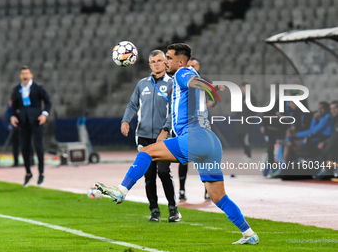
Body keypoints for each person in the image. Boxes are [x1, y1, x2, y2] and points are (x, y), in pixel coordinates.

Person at [95, 43, 259, 245]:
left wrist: (208, 87)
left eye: (169, 58)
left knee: (146, 152)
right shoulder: (182, 77)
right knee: (218, 196)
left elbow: (192, 82)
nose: (165, 61)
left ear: (180, 61)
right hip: (211, 142)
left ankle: (121, 190)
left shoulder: (182, 72)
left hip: (195, 138)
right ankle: (248, 233)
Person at [121, 49, 179, 222]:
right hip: (144, 136)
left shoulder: (172, 84)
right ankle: (154, 210)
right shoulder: (142, 84)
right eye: (153, 61)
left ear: (165, 62)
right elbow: (132, 105)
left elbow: (174, 110)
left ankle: (173, 208)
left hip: (163, 137)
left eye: (159, 60)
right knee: (149, 175)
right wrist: (125, 121)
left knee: (163, 172)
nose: (156, 64)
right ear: (149, 64)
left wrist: (166, 129)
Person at [178, 57, 215, 201]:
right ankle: (181, 189)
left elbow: (214, 100)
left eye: (194, 65)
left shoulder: (204, 81)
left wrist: (204, 106)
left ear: (198, 67)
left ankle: (207, 190)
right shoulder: (182, 81)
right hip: (186, 124)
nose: (191, 68)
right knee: (184, 158)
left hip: (201, 123)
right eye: (189, 65)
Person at [10, 66, 51, 187]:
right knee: (24, 148)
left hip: (36, 121)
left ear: (31, 75)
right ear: (20, 76)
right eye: (22, 73)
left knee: (38, 147)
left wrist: (44, 114)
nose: (25, 75)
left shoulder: (38, 88)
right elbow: (13, 106)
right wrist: (13, 116)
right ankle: (28, 173)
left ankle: (41, 173)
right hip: (23, 122)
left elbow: (48, 102)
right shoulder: (17, 90)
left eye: (27, 73)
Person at [5, 99, 34, 167]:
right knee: (15, 145)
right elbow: (8, 114)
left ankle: (31, 159)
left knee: (27, 143)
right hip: (15, 126)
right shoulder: (12, 103)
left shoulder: (26, 101)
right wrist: (10, 125)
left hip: (24, 126)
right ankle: (16, 161)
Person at [313, 101, 338, 179]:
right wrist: (325, 142)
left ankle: (327, 170)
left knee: (331, 147)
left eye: (335, 108)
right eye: (331, 109)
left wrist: (325, 152)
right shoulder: (334, 119)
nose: (333, 111)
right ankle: (328, 170)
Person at [234, 81, 256, 163]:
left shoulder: (251, 98)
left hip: (247, 124)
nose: (242, 89)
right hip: (240, 123)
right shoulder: (241, 97)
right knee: (240, 138)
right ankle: (245, 154)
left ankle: (249, 156)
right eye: (242, 87)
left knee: (245, 140)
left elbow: (253, 110)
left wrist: (248, 119)